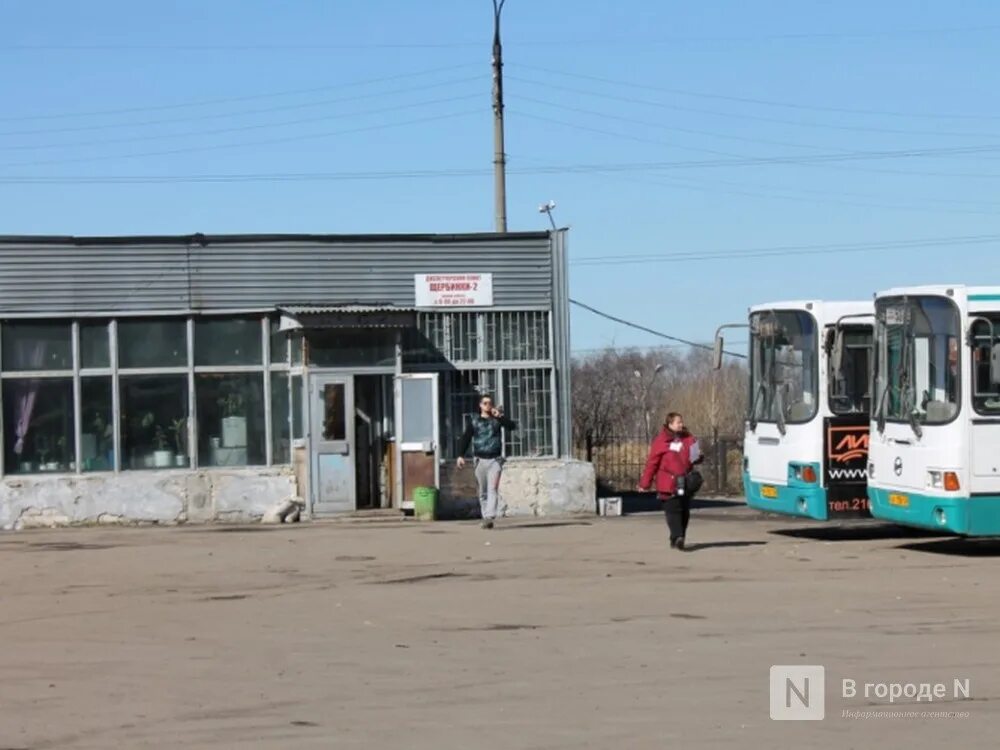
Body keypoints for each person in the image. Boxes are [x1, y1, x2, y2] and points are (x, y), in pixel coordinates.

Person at [638, 412, 703, 550]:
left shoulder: (688, 438)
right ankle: (677, 535)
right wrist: (645, 483)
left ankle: (678, 538)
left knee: (684, 510)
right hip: (667, 482)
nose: (681, 424)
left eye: (681, 421)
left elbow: (695, 457)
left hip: (685, 481)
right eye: (677, 422)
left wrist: (699, 456)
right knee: (672, 509)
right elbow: (652, 463)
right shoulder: (661, 441)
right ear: (670, 424)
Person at [457, 394, 517, 529]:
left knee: (493, 489)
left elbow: (512, 427)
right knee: (483, 492)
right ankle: (486, 518)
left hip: (494, 460)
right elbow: (466, 437)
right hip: (480, 460)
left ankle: (490, 516)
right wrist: (460, 455)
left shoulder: (497, 420)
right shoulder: (474, 420)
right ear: (480, 405)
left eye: (490, 403)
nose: (487, 406)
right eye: (485, 403)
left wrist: (500, 416)